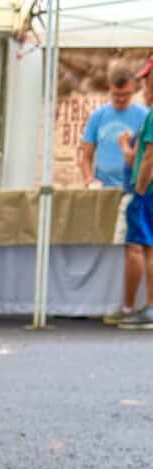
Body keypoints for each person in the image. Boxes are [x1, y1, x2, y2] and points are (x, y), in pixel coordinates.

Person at [104, 67, 153, 325]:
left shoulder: (151, 116)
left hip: (145, 191)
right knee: (147, 247)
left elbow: (148, 156)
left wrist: (140, 188)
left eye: (146, 82)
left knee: (137, 247)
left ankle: (134, 307)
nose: (143, 88)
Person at [80, 65, 147, 189]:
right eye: (116, 94)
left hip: (134, 187)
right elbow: (86, 157)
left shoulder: (145, 116)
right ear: (109, 87)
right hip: (104, 189)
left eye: (126, 94)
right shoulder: (97, 116)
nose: (121, 99)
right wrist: (89, 178)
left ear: (134, 88)